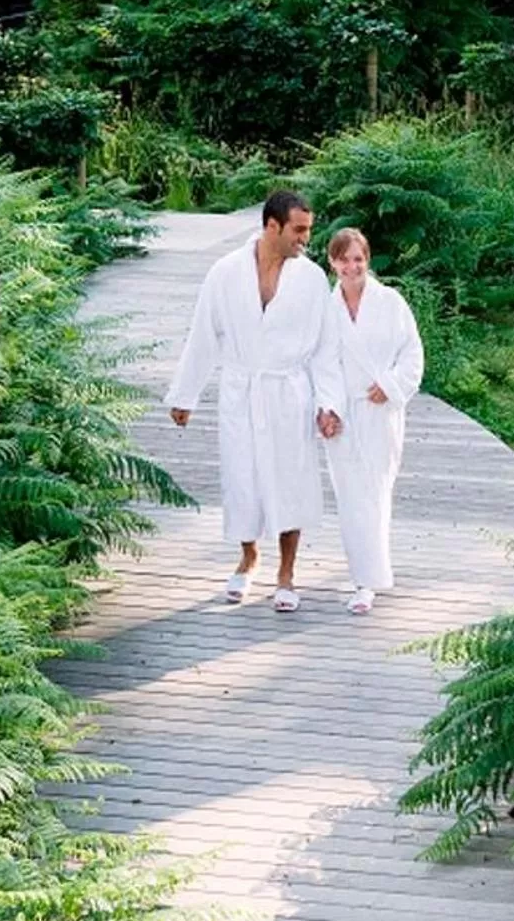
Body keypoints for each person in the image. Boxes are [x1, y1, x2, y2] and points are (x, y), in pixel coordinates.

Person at [164, 189, 345, 613]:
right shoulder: (225, 272)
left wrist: (328, 403)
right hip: (241, 389)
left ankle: (286, 574)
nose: (305, 239)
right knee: (242, 478)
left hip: (288, 391)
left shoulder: (312, 278)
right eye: (298, 230)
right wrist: (185, 394)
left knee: (290, 480)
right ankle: (248, 557)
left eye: (308, 230)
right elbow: (203, 336)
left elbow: (325, 347)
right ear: (272, 226)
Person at [322, 227, 425, 616]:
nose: (352, 266)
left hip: (380, 411)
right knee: (350, 497)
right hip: (343, 412)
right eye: (344, 259)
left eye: (358, 259)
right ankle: (362, 576)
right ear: (332, 262)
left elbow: (412, 354)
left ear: (368, 259)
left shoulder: (391, 302)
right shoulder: (326, 309)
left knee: (375, 491)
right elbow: (322, 363)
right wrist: (327, 408)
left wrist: (390, 384)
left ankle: (369, 579)